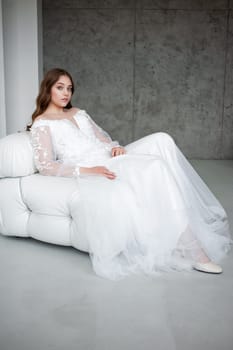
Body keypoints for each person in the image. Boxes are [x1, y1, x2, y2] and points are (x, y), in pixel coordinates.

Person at [28, 68, 232, 280]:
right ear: (48, 89)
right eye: (59, 88)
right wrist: (89, 171)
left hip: (111, 157)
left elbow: (102, 138)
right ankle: (191, 248)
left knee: (162, 139)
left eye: (69, 88)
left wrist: (115, 147)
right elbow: (46, 165)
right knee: (155, 166)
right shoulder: (42, 123)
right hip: (97, 169)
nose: (66, 93)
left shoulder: (79, 112)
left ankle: (181, 218)